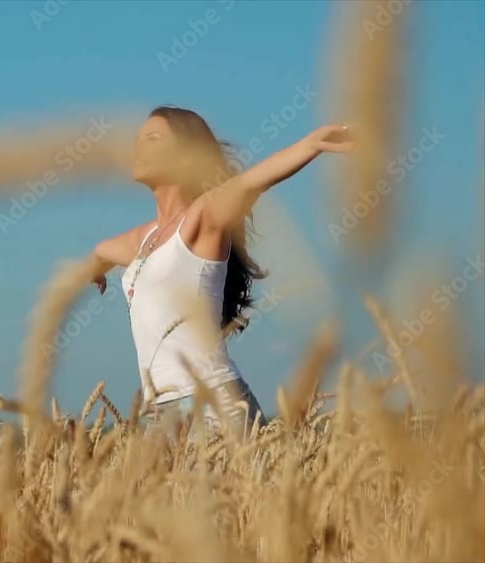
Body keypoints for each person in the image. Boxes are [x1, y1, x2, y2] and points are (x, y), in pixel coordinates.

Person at [90, 106, 353, 437]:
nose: (138, 147)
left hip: (212, 405)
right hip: (157, 413)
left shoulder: (202, 219)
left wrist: (312, 145)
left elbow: (251, 183)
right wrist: (94, 270)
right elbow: (101, 250)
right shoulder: (145, 240)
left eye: (152, 138)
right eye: (138, 140)